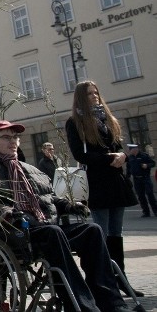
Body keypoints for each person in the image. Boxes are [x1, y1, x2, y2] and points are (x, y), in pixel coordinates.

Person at [0, 120, 133, 312]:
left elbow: (50, 197)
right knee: (54, 233)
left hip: (44, 226)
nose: (13, 141)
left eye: (15, 137)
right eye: (6, 137)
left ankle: (112, 303)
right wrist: (4, 211)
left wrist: (70, 205)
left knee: (92, 230)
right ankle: (82, 306)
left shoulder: (30, 169)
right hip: (14, 232)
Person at [66, 80, 141, 297]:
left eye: (96, 92)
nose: (95, 96)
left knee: (116, 234)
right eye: (89, 93)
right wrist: (110, 158)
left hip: (115, 181)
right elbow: (80, 155)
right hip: (97, 183)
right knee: (102, 233)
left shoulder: (107, 118)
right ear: (81, 97)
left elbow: (117, 146)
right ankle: (104, 282)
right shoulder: (75, 122)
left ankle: (121, 279)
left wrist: (122, 156)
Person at [126, 144, 157, 218]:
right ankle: (146, 212)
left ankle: (156, 211)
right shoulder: (130, 158)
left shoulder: (144, 156)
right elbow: (128, 169)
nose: (130, 151)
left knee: (150, 194)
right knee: (141, 196)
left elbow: (153, 163)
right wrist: (127, 178)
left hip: (145, 178)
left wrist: (147, 165)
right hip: (136, 179)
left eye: (131, 149)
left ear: (135, 149)